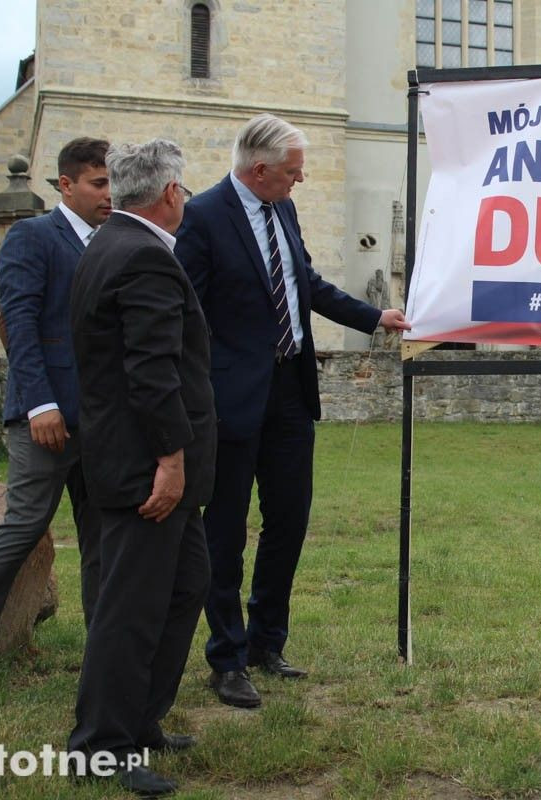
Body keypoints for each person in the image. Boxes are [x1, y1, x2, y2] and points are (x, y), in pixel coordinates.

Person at [174, 114, 411, 709]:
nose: (300, 181)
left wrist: (373, 316)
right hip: (229, 401)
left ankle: (266, 643)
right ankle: (226, 658)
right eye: (292, 172)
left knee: (289, 520)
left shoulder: (281, 209)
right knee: (225, 532)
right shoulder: (202, 218)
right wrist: (200, 391)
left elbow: (304, 283)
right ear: (259, 171)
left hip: (289, 392)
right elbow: (187, 314)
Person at [0, 137, 109, 715]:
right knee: (19, 531)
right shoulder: (33, 237)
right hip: (45, 419)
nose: (109, 194)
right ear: (67, 185)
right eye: (98, 183)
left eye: (112, 183)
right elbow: (20, 325)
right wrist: (39, 405)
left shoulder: (116, 243)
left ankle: (107, 669)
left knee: (104, 544)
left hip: (106, 423)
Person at [67, 139, 215, 797]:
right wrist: (171, 460)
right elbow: (151, 372)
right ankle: (101, 744)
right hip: (144, 469)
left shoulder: (109, 244)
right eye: (182, 189)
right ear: (169, 194)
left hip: (133, 460)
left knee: (184, 587)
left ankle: (140, 719)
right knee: (131, 608)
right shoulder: (143, 257)